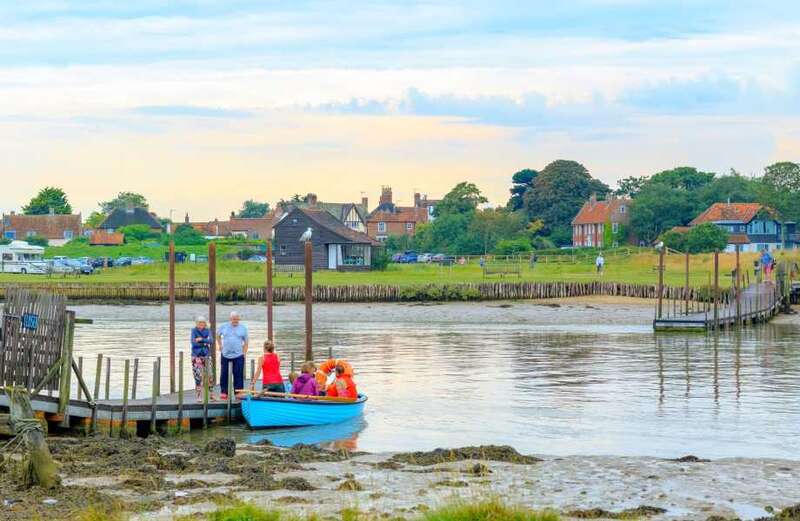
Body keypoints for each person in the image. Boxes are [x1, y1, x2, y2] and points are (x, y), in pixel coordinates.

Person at [216, 311, 248, 400]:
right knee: (224, 374)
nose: (235, 321)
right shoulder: (224, 327)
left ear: (239, 319)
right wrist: (220, 345)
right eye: (233, 319)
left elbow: (246, 342)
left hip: (238, 355)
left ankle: (238, 393)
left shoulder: (243, 328)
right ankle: (224, 392)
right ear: (230, 319)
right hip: (225, 354)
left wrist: (244, 353)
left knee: (238, 374)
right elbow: (217, 335)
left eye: (237, 319)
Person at [190, 316, 214, 401]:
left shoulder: (208, 330)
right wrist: (204, 342)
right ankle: (199, 396)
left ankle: (211, 394)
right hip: (196, 356)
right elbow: (193, 343)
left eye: (203, 322)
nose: (201, 324)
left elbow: (211, 341)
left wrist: (201, 339)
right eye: (199, 322)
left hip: (207, 355)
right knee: (198, 376)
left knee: (210, 375)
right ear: (197, 323)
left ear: (205, 323)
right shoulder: (193, 330)